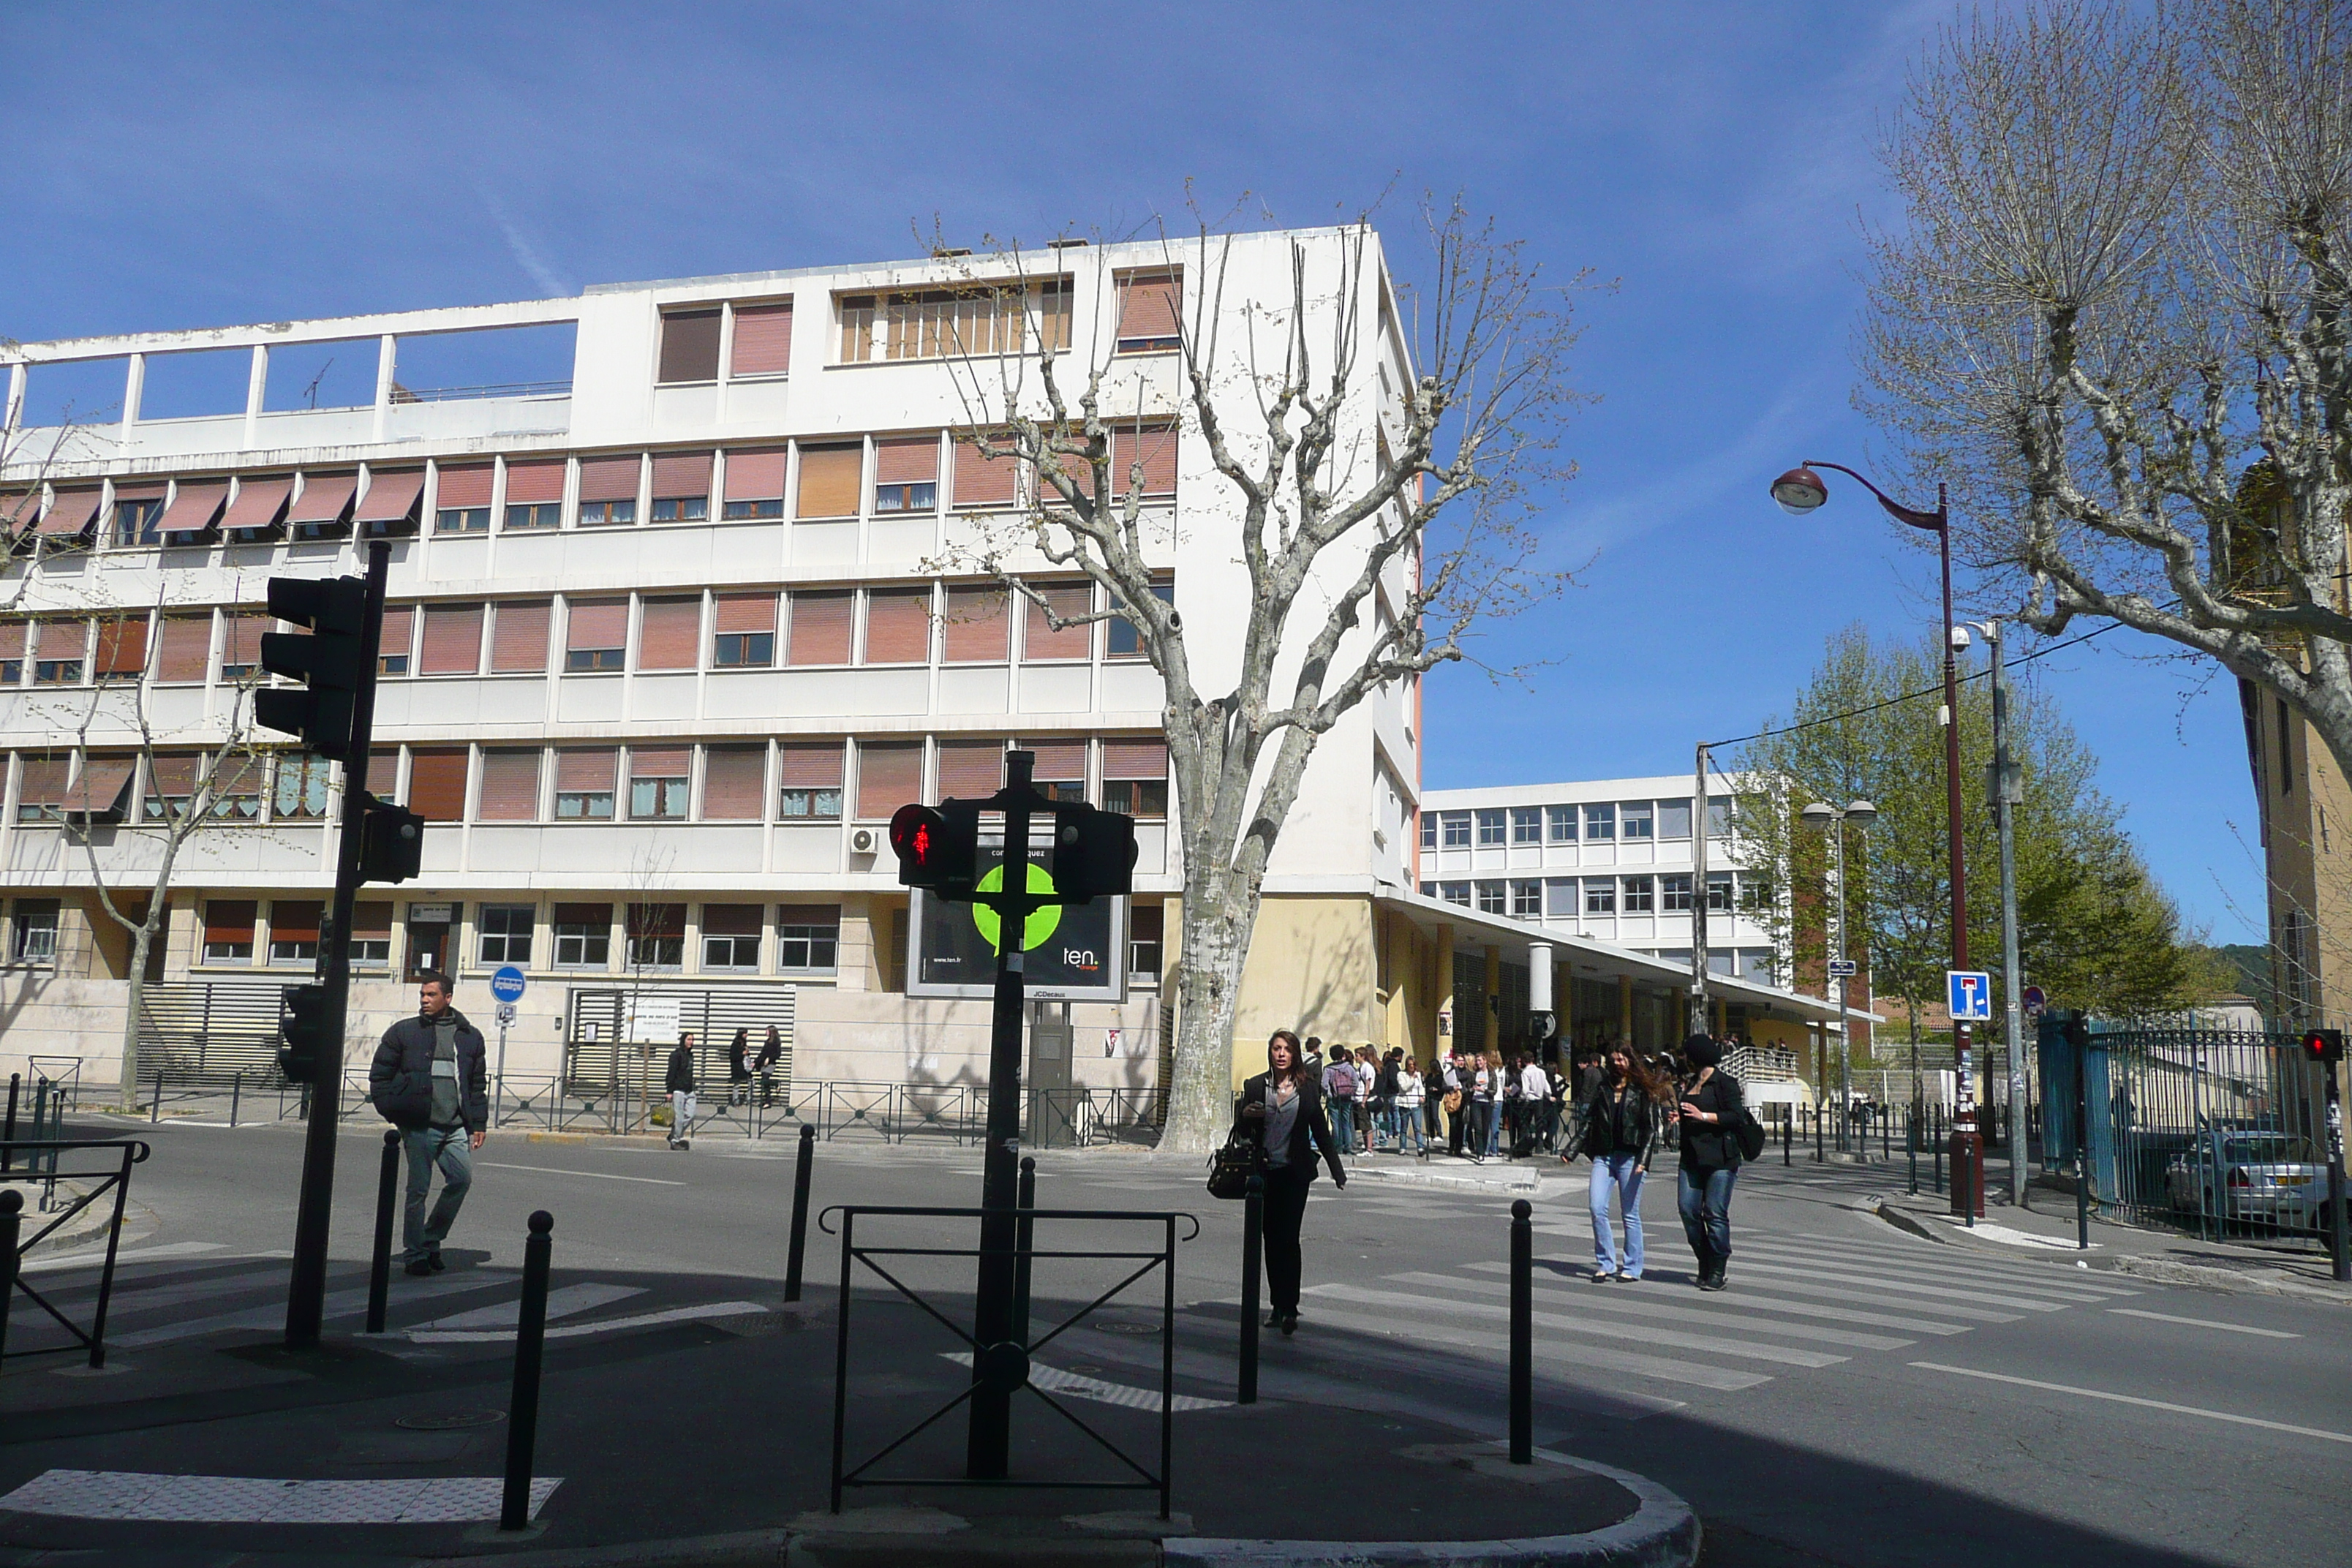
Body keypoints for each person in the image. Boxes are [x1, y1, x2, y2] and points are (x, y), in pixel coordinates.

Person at [368, 971, 488, 1276]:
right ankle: (416, 1254)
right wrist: (394, 1112)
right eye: (422, 995)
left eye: (431, 995)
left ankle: (431, 1238)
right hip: (420, 1126)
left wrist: (479, 1123)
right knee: (417, 1191)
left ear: (448, 998)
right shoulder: (404, 1032)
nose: (424, 1000)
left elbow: (475, 1084)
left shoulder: (470, 1036)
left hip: (455, 1126)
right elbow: (380, 1076)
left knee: (461, 1181)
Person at [1234, 1029, 1346, 1335]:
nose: (1281, 1054)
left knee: (1290, 1238)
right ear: (1270, 1053)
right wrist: (1245, 1115)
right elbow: (1241, 1131)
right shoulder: (1256, 1086)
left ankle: (1291, 1307)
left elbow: (1320, 1130)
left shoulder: (1308, 1089)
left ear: (1295, 1054)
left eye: (1286, 1049)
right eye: (1276, 1049)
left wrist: (1337, 1171)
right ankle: (1276, 1305)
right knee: (1271, 1238)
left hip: (1295, 1174)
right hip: (1264, 1175)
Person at [1579, 1044, 1666, 1281]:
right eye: (1614, 1059)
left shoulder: (1642, 1090)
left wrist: (1644, 1160)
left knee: (1629, 1213)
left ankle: (1632, 1267)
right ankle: (1606, 1263)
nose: (1617, 1063)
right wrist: (1571, 1149)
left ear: (1630, 1061)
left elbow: (1649, 1129)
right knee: (1597, 1208)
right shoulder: (1603, 1087)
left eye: (1621, 1059)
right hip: (1604, 1156)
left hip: (1631, 1158)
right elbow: (1590, 1121)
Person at [1673, 1033, 1747, 1291]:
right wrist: (1679, 1117)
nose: (1684, 1059)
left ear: (1696, 1056)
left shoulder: (1725, 1083)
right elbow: (1689, 1114)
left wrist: (1702, 1115)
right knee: (1688, 1210)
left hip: (1721, 1160)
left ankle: (1717, 1268)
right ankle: (1704, 1260)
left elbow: (1736, 1117)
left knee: (1714, 1213)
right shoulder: (1691, 1083)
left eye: (1686, 1054)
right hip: (1691, 1157)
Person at [1322, 1046, 1360, 1155]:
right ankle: (1347, 1147)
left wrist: (1329, 1094)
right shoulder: (1349, 1068)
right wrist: (1351, 1092)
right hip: (1347, 1098)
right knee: (1346, 1123)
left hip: (1334, 1099)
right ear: (1343, 1055)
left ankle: (1338, 1148)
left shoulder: (1328, 1069)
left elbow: (1324, 1085)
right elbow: (1356, 1083)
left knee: (1336, 1124)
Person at [665, 1032, 698, 1150]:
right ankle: (675, 1141)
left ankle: (674, 1134)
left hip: (689, 1090)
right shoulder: (676, 1055)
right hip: (678, 1090)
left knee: (691, 1115)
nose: (691, 1042)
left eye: (692, 1040)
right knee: (679, 1118)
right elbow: (671, 1073)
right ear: (683, 1040)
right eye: (689, 1039)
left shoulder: (690, 1055)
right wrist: (669, 1090)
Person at [1393, 1056, 1426, 1156]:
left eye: (1413, 1064)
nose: (1412, 1067)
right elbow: (1404, 1087)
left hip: (1415, 1104)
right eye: (1409, 1065)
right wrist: (1412, 1079)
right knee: (1404, 1127)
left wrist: (1422, 1096)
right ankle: (1402, 1147)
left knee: (1417, 1127)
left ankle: (1420, 1147)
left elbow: (1421, 1087)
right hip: (1405, 1104)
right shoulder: (1401, 1075)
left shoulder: (1418, 1075)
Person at [755, 1025, 783, 1108]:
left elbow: (778, 1054)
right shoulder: (768, 1042)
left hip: (771, 1064)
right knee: (764, 1083)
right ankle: (767, 1101)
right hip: (764, 1064)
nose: (766, 1032)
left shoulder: (776, 1042)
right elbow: (763, 1053)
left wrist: (769, 1058)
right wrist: (755, 1062)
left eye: (767, 1031)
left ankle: (775, 1083)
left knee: (765, 1080)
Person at [726, 1028, 753, 1107]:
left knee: (751, 1082)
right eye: (745, 1033)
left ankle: (748, 1099)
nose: (747, 1035)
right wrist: (742, 1054)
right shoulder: (736, 1043)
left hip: (745, 1067)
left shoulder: (744, 1043)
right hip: (738, 1068)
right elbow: (732, 1056)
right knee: (737, 1084)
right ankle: (736, 1101)